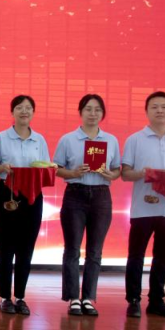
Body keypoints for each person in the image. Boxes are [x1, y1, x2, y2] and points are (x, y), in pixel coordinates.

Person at [122, 91, 165, 320]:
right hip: (142, 208)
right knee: (136, 255)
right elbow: (125, 174)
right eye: (154, 107)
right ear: (146, 111)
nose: (159, 110)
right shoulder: (135, 140)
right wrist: (144, 173)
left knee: (162, 256)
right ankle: (133, 300)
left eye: (164, 107)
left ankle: (157, 301)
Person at [53, 94, 120, 317]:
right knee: (72, 248)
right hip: (75, 194)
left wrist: (111, 174)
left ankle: (89, 298)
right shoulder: (68, 139)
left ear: (103, 114)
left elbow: (117, 170)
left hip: (101, 196)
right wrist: (73, 172)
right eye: (88, 109)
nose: (93, 113)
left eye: (97, 110)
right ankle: (73, 297)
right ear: (80, 112)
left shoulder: (111, 140)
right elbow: (57, 169)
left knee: (95, 251)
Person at [0, 94, 50, 316]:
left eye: (28, 108)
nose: (24, 112)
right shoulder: (1, 138)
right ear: (12, 112)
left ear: (33, 112)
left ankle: (21, 297)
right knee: (5, 247)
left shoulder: (40, 140)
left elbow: (45, 168)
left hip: (32, 195)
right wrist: (3, 168)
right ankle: (5, 297)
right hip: (7, 193)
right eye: (19, 108)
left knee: (26, 247)